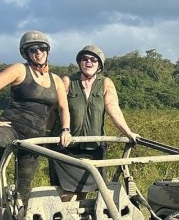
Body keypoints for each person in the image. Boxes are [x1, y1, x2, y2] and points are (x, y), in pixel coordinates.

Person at [0, 30, 72, 204]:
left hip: (35, 134)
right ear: (26, 53)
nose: (38, 52)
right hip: (12, 125)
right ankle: (0, 182)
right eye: (32, 50)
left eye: (41, 48)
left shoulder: (56, 80)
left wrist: (66, 129)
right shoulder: (20, 69)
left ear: (47, 51)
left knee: (23, 188)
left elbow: (64, 108)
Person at [48, 44, 138, 201]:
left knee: (83, 193)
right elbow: (55, 110)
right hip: (66, 147)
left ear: (99, 65)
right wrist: (47, 134)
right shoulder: (68, 81)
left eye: (93, 60)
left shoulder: (105, 83)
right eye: (85, 59)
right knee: (66, 195)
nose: (89, 62)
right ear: (79, 62)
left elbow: (113, 109)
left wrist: (128, 133)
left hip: (92, 147)